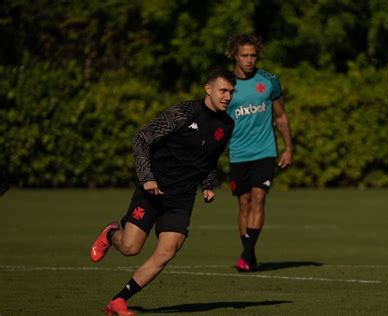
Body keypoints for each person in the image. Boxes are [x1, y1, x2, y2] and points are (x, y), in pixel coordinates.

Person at [89, 67, 235, 315]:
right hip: (153, 190)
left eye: (231, 92)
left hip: (182, 198)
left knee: (167, 251)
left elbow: (210, 159)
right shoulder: (184, 112)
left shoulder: (227, 124)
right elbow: (141, 138)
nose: (227, 97)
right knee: (130, 248)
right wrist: (147, 177)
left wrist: (208, 185)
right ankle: (112, 232)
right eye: (223, 90)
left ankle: (118, 300)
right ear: (208, 89)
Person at [225, 34, 293, 272]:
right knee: (244, 204)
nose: (250, 60)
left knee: (259, 199)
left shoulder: (269, 80)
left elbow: (281, 116)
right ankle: (249, 254)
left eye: (253, 55)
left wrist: (288, 148)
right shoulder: (225, 84)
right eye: (245, 55)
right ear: (234, 55)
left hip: (265, 151)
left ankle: (245, 254)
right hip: (238, 153)